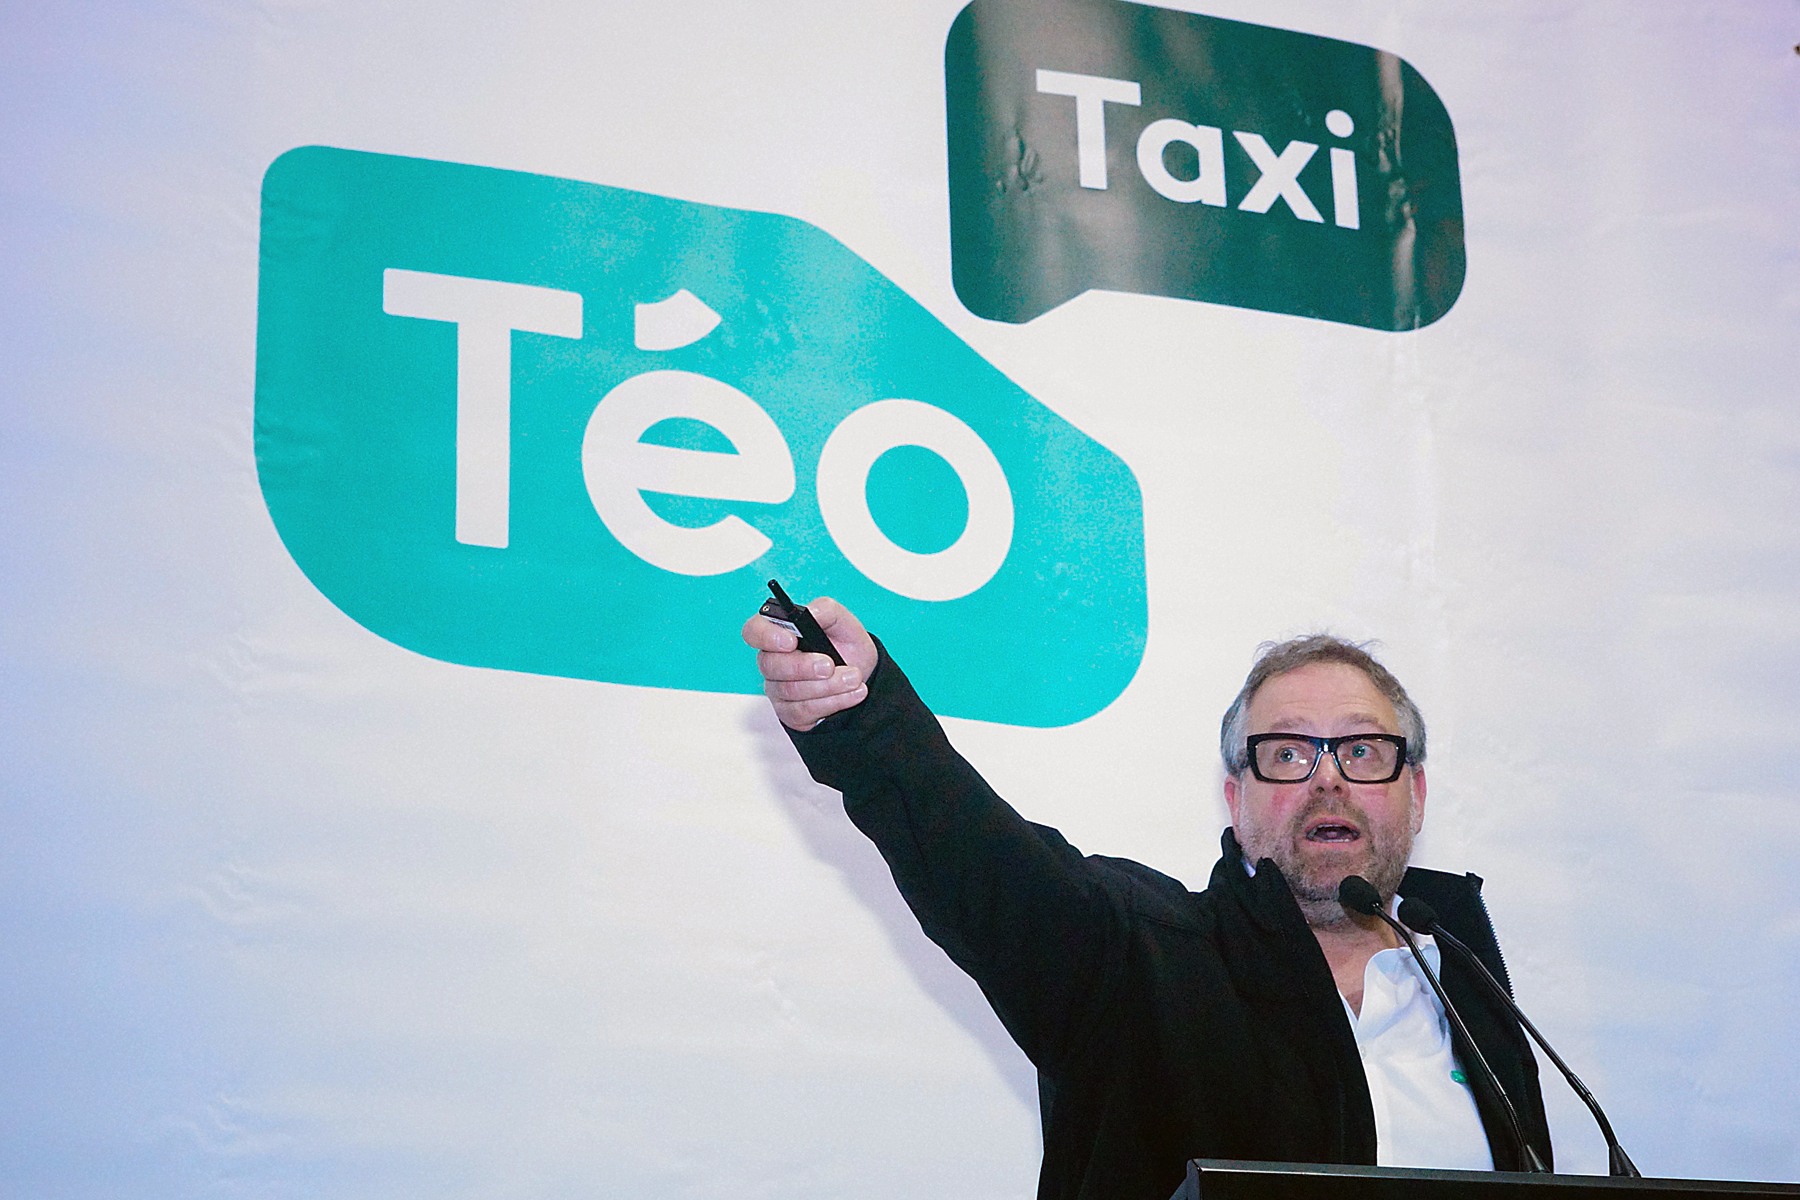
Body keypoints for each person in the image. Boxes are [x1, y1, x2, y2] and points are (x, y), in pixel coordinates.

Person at [743, 598, 1551, 1200]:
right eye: (1288, 753)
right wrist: (867, 720)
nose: (1328, 779)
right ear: (1236, 800)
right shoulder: (1140, 958)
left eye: (1364, 751)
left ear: (1415, 793)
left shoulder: (1470, 989)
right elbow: (986, 866)